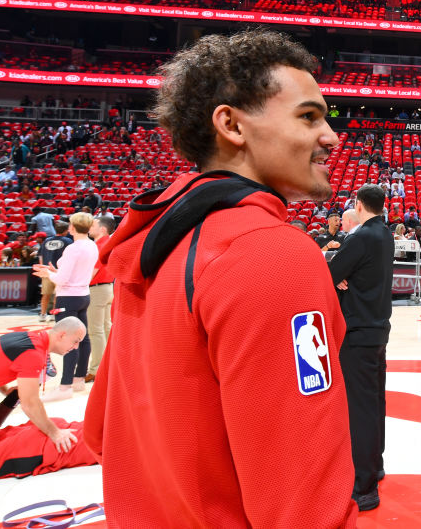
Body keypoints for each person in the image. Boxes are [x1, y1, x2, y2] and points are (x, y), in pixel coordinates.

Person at [82, 29, 358, 527]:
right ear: (231, 124)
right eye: (308, 116)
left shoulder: (147, 247)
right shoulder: (270, 252)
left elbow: (101, 432)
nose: (331, 135)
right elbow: (305, 504)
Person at [327, 184, 395, 512]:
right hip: (378, 328)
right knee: (375, 403)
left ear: (358, 204)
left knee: (361, 410)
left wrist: (343, 276)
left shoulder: (361, 237)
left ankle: (364, 486)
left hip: (358, 331)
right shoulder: (385, 233)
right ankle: (375, 466)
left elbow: (330, 273)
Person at [0, 317, 86, 455]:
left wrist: (4, 390)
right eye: (76, 341)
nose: (76, 347)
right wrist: (55, 432)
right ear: (62, 335)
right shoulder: (33, 354)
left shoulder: (26, 338)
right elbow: (30, 404)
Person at [32, 212, 98, 402]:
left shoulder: (73, 248)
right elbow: (72, 272)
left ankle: (65, 386)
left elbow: (62, 279)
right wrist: (54, 271)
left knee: (68, 341)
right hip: (83, 295)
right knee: (83, 339)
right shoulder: (91, 245)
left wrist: (48, 275)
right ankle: (78, 379)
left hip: (68, 297)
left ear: (73, 227)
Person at [85, 215, 115, 382]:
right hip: (107, 288)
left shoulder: (98, 246)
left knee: (95, 331)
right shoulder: (108, 243)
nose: (90, 227)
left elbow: (92, 272)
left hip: (97, 289)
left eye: (94, 225)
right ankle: (108, 366)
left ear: (102, 229)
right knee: (105, 329)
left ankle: (96, 369)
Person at [37, 222, 72, 322]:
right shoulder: (68, 241)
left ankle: (42, 314)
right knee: (58, 294)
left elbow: (41, 256)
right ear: (66, 230)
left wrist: (42, 269)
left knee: (45, 294)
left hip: (47, 271)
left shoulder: (46, 241)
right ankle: (54, 314)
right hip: (59, 271)